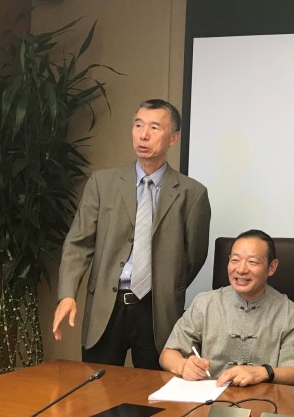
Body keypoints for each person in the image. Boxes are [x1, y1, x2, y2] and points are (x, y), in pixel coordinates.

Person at [52, 99, 211, 369]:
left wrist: (164, 285)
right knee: (96, 391)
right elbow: (78, 244)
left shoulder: (192, 194)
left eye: (153, 127)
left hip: (156, 310)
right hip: (107, 304)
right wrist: (67, 293)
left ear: (173, 137)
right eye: (138, 125)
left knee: (154, 396)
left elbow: (193, 256)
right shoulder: (102, 183)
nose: (143, 135)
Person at [160, 229, 294, 387]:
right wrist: (183, 366)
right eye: (235, 260)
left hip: (262, 401)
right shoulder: (204, 304)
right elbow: (167, 354)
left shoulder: (291, 314)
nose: (241, 269)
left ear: (272, 267)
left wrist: (261, 372)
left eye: (252, 262)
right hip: (209, 399)